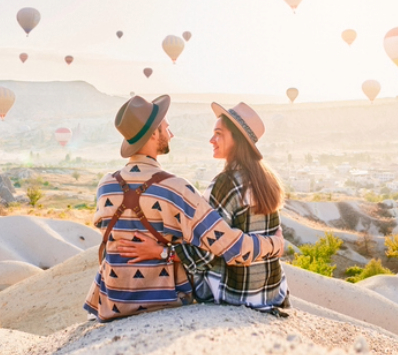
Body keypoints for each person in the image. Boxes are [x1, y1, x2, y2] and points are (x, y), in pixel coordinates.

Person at [84, 95, 285, 322]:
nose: (172, 134)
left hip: (113, 301)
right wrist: (275, 244)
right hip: (163, 300)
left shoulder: (105, 186)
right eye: (166, 128)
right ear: (152, 134)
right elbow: (230, 247)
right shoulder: (176, 189)